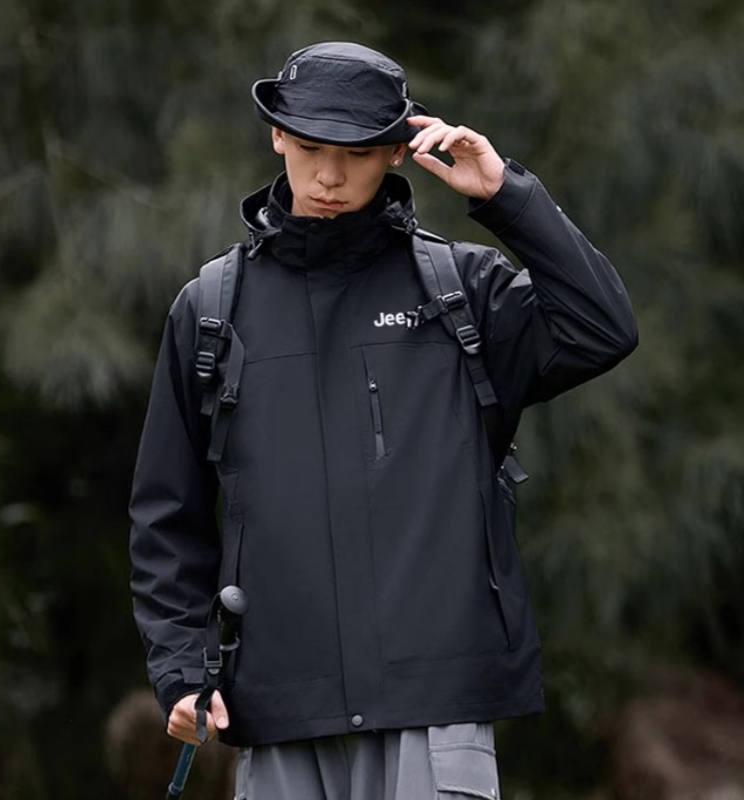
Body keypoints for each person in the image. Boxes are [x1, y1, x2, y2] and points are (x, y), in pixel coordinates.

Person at [129, 41, 638, 800]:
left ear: (399, 151)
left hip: (437, 709)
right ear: (277, 136)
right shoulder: (210, 309)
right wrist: (180, 670)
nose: (330, 176)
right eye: (311, 148)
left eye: (358, 153)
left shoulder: (463, 290)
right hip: (279, 710)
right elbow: (166, 516)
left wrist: (504, 195)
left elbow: (602, 329)